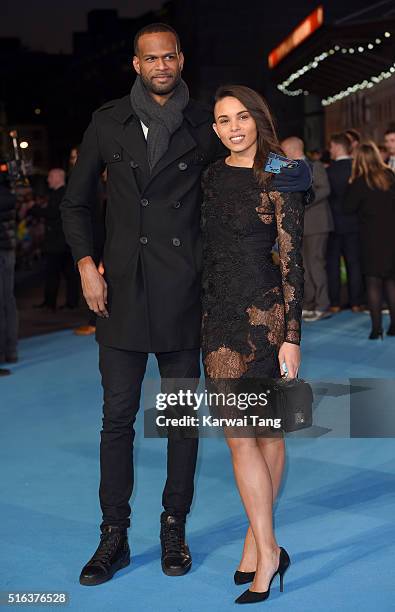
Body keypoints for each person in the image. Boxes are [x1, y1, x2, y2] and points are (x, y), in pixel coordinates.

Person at [60, 23, 312, 587]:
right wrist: (84, 263)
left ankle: (174, 530)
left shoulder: (205, 122)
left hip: (184, 299)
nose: (161, 65)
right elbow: (74, 203)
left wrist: (295, 172)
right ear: (136, 64)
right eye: (150, 58)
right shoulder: (107, 122)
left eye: (169, 55)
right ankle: (113, 537)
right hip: (121, 296)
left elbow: (250, 162)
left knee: (179, 422)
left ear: (180, 59)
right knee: (117, 419)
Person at [201, 86, 304, 604]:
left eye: (242, 116)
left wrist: (291, 337)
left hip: (263, 319)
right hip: (217, 320)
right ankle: (267, 545)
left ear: (257, 119)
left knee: (267, 436)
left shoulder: (283, 172)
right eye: (223, 120)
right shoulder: (211, 175)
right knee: (239, 438)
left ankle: (261, 550)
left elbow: (291, 260)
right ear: (215, 128)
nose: (234, 127)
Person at [343, 142, 395, 339]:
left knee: (373, 283)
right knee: (391, 281)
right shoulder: (390, 175)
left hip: (370, 237)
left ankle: (376, 329)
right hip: (392, 236)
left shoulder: (359, 181)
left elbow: (347, 208)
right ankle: (394, 327)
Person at [282, 136, 333, 321]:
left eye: (284, 150)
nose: (282, 154)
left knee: (316, 265)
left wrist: (302, 200)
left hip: (317, 225)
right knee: (304, 267)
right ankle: (310, 304)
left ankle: (322, 306)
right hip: (298, 226)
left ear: (293, 149)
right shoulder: (287, 169)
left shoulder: (315, 166)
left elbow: (325, 189)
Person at [68, 146, 107, 336]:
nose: (73, 161)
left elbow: (92, 213)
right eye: (72, 157)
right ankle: (95, 319)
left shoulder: (91, 182)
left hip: (94, 238)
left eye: (76, 157)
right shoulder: (88, 181)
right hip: (92, 237)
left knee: (94, 279)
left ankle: (95, 320)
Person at [326, 132, 364, 313]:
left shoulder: (329, 171)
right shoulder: (358, 169)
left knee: (333, 264)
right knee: (354, 263)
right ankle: (356, 302)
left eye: (331, 146)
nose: (330, 150)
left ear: (338, 146)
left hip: (333, 224)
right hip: (355, 224)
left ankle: (335, 303)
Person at [33, 169, 79, 311]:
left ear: (59, 178)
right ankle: (55, 302)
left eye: (51, 176)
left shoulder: (62, 194)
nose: (48, 180)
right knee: (60, 273)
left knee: (58, 273)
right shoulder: (58, 194)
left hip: (59, 242)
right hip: (59, 242)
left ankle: (58, 303)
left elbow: (53, 214)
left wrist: (33, 209)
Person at [0, 174, 18, 374]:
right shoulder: (9, 195)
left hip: (4, 251)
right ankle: (10, 351)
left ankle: (7, 351)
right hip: (8, 251)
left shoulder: (6, 196)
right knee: (8, 301)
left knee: (5, 301)